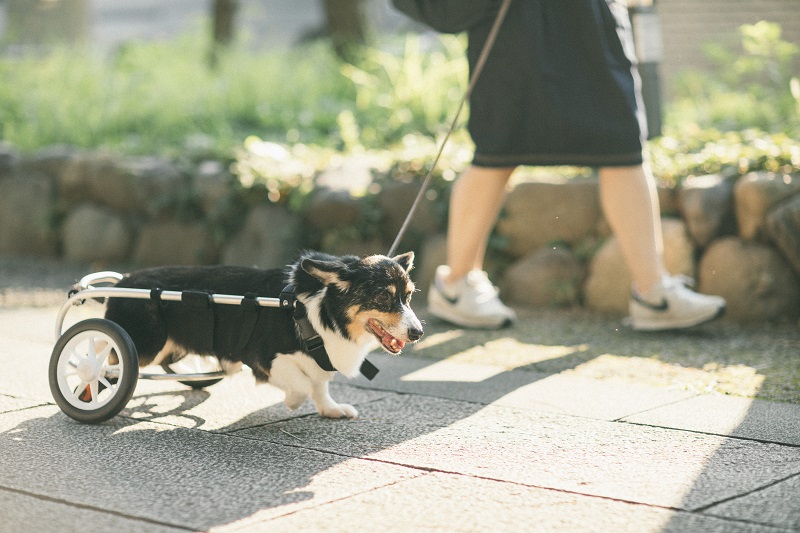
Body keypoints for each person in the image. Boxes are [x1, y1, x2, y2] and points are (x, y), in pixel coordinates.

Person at [427, 0, 726, 331]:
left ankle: (654, 293)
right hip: (514, 22)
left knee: (623, 146)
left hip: (592, 20)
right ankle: (456, 284)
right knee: (497, 150)